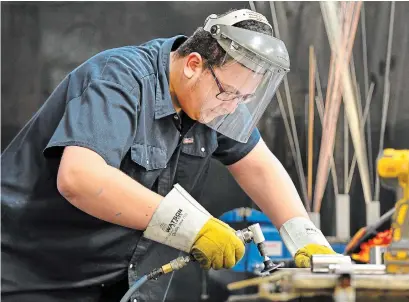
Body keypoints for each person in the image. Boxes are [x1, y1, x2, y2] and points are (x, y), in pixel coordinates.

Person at [1, 8, 336, 302]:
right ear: (194, 64)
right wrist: (195, 228)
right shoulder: (120, 79)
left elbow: (260, 166)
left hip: (114, 282)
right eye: (228, 93)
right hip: (31, 274)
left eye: (244, 99)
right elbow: (80, 178)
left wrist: (306, 239)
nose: (233, 107)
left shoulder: (219, 99)